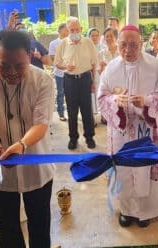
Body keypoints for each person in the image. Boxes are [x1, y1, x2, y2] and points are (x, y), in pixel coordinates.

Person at [0, 30, 54, 248]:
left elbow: (41, 124)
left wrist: (22, 145)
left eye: (19, 66)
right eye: (3, 65)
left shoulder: (43, 80)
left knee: (40, 228)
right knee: (7, 232)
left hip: (37, 166)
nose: (12, 72)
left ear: (31, 56)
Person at [98, 24, 158, 228]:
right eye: (123, 45)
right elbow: (102, 97)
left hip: (146, 130)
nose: (127, 50)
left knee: (145, 169)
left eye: (133, 45)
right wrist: (115, 102)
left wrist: (146, 102)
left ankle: (146, 212)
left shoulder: (155, 66)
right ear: (116, 43)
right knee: (123, 170)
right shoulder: (110, 69)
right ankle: (127, 211)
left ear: (141, 44)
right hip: (121, 131)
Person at [54, 17, 98, 150]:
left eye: (77, 29)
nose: (74, 32)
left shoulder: (88, 42)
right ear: (67, 30)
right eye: (72, 30)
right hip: (70, 80)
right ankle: (73, 138)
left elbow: (94, 63)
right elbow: (56, 63)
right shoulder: (62, 44)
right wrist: (65, 66)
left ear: (81, 29)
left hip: (85, 79)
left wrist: (93, 81)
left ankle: (89, 137)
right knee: (72, 111)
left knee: (87, 110)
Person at [97, 27, 120, 125]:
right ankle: (105, 117)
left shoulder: (121, 52)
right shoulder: (101, 53)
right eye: (107, 36)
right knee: (106, 100)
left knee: (118, 102)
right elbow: (99, 71)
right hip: (106, 82)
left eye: (111, 36)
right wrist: (102, 68)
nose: (109, 38)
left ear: (116, 37)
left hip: (119, 81)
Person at [49, 23, 69, 121]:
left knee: (70, 93)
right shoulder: (53, 43)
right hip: (59, 73)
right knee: (61, 93)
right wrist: (61, 62)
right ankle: (61, 113)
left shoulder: (71, 42)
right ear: (60, 31)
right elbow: (53, 58)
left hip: (70, 72)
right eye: (66, 29)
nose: (68, 31)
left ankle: (71, 112)